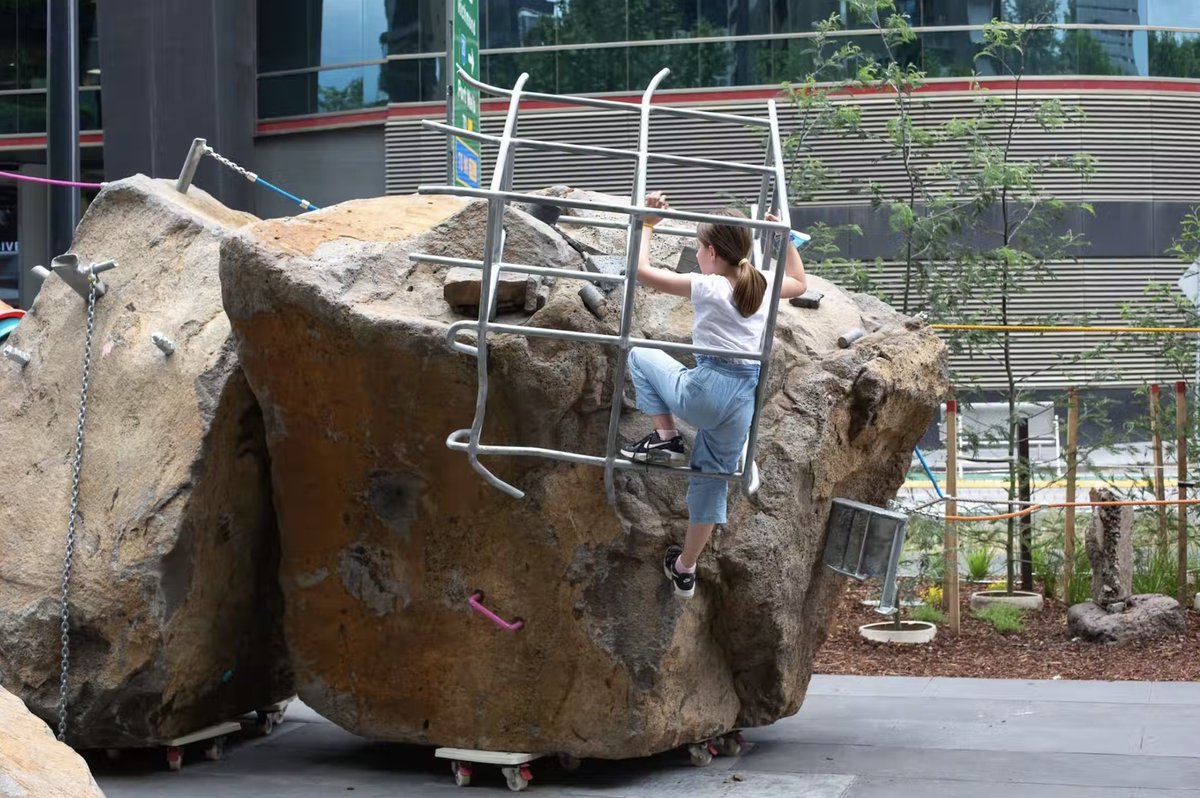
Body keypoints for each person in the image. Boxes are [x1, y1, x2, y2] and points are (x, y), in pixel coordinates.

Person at [620, 191, 809, 598]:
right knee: (711, 480)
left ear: (710, 252)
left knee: (639, 354)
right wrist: (785, 239)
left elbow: (641, 272)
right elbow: (799, 283)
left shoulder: (709, 286)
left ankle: (667, 438)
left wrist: (647, 224)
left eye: (697, 246)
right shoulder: (760, 284)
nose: (696, 253)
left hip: (704, 391)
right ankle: (685, 568)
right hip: (742, 401)